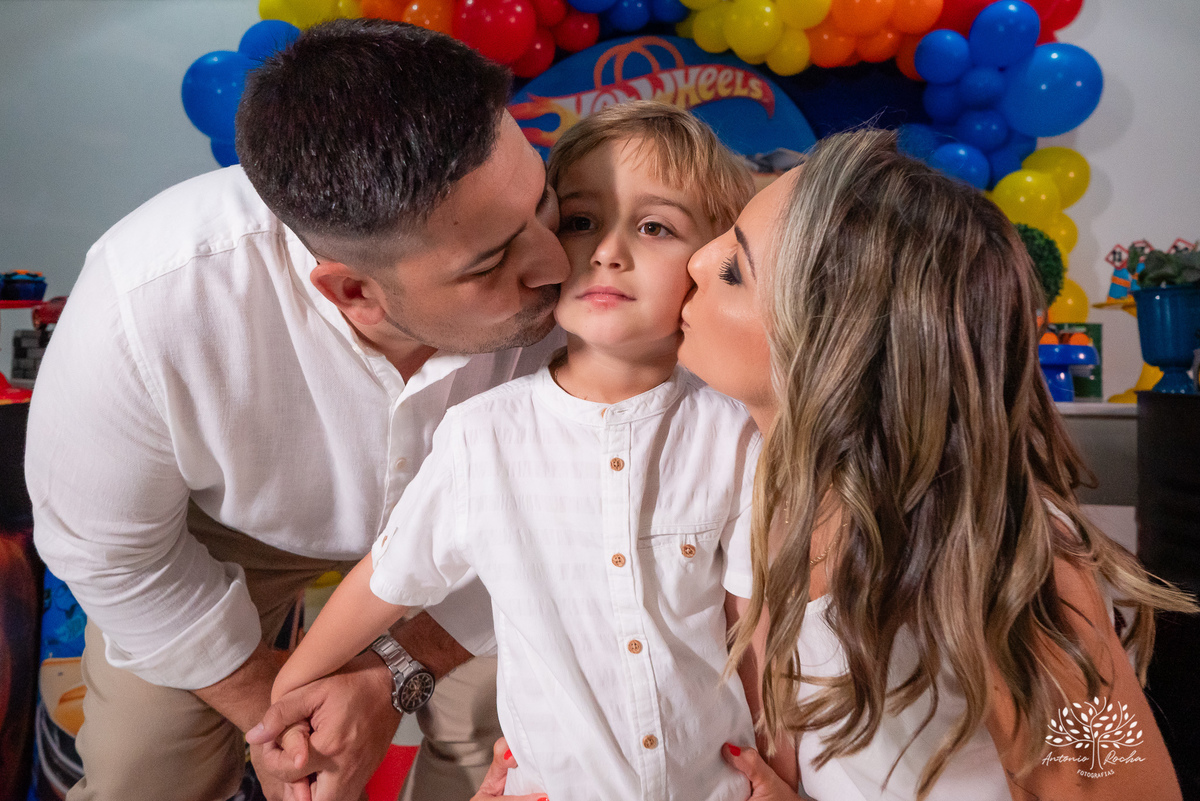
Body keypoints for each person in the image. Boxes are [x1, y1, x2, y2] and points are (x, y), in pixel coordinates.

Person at [25, 19, 572, 801]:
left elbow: (581, 504)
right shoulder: (142, 302)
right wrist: (276, 716)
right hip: (230, 533)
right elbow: (115, 554)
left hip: (500, 527)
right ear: (353, 291)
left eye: (543, 202)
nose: (557, 266)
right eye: (491, 263)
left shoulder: (588, 257)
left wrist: (393, 677)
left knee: (502, 734)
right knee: (143, 771)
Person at [262, 101, 767, 800]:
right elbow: (387, 577)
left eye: (654, 226)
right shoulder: (484, 434)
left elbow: (754, 632)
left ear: (710, 261)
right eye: (582, 221)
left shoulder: (735, 428)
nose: (607, 250)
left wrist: (781, 768)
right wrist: (290, 692)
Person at [678, 128, 1196, 800]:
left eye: (733, 271)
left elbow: (1128, 793)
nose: (694, 261)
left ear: (835, 349)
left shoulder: (1003, 569)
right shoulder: (766, 499)